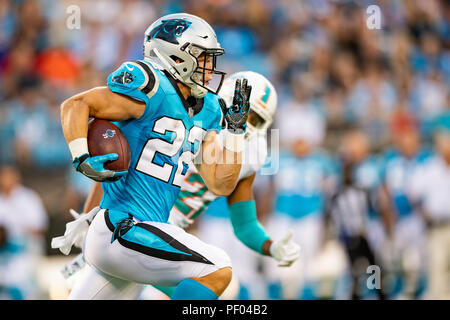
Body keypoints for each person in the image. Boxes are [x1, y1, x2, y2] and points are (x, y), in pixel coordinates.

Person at [54, 13, 252, 300]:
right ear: (173, 54)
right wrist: (80, 155)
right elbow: (77, 104)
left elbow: (221, 184)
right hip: (123, 227)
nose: (210, 67)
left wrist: (234, 133)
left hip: (139, 235)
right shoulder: (151, 84)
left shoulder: (208, 109)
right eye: (202, 56)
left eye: (211, 58)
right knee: (217, 268)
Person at [59, 71, 301, 300]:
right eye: (245, 112)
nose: (246, 121)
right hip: (137, 221)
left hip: (171, 234)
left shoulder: (250, 153)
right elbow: (123, 168)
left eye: (255, 118)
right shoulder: (194, 122)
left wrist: (272, 247)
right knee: (212, 274)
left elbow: (244, 223)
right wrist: (90, 215)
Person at [409, 114, 450, 299]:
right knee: (437, 275)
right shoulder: (429, 167)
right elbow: (413, 193)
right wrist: (422, 213)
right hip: (436, 227)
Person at [0, 165, 48, 299]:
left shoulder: (28, 198)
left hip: (26, 248)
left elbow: (40, 228)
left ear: (16, 178)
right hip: (4, 252)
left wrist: (18, 232)